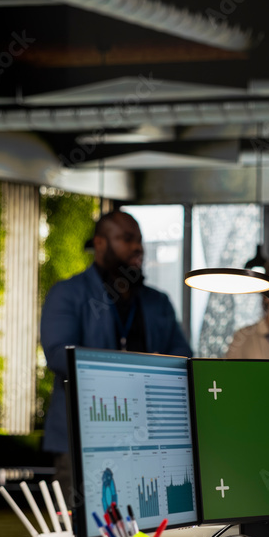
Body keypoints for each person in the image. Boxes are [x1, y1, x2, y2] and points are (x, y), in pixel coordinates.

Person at [40, 211, 192, 497]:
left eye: (140, 240)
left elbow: (183, 354)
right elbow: (59, 355)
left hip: (147, 439)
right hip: (84, 440)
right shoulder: (67, 293)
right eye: (127, 239)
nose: (138, 247)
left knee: (146, 516)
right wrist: (133, 368)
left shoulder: (158, 301)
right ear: (100, 243)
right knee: (85, 522)